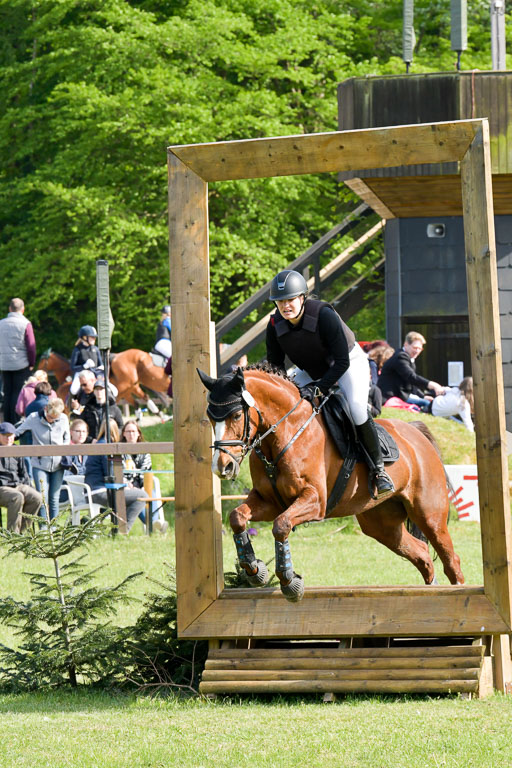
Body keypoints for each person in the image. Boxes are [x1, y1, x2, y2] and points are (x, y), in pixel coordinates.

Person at [265, 269, 394, 495]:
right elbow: (276, 367)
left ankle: (379, 469)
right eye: (280, 301)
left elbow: (342, 362)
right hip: (311, 370)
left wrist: (320, 387)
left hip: (348, 364)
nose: (285, 306)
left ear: (302, 298)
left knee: (356, 410)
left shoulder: (324, 315)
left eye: (291, 299)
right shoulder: (275, 325)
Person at [84, 420, 149, 533]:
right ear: (115, 431)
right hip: (100, 492)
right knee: (141, 495)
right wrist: (125, 485)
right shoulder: (105, 447)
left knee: (131, 495)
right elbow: (111, 474)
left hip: (92, 491)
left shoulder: (99, 444)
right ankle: (122, 530)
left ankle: (116, 530)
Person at [15, 398, 70, 524]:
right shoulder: (33, 418)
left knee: (54, 498)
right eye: (50, 417)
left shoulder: (64, 419)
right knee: (42, 496)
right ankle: (44, 526)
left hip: (58, 463)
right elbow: (18, 432)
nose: (52, 420)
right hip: (40, 464)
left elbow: (67, 439)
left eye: (55, 418)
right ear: (46, 409)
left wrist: (64, 453)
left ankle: (53, 525)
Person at [121, 420, 168, 533]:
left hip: (141, 484)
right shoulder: (120, 451)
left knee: (150, 493)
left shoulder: (144, 451)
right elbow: (120, 473)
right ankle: (155, 524)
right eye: (128, 431)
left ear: (138, 434)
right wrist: (129, 485)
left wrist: (143, 486)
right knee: (140, 496)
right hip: (126, 487)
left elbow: (146, 471)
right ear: (123, 434)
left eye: (133, 431)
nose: (131, 434)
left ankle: (154, 523)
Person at [377, 331, 445, 409]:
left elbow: (412, 384)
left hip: (400, 395)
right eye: (415, 347)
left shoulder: (409, 358)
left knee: (428, 402)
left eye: (420, 348)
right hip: (390, 398)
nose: (417, 351)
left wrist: (423, 396)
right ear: (406, 344)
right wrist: (432, 384)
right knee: (427, 404)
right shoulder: (400, 357)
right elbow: (411, 377)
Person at [0, 422, 42, 532]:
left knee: (36, 497)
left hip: (17, 485)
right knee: (17, 497)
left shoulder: (17, 450)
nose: (8, 438)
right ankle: (13, 535)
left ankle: (23, 533)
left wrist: (29, 487)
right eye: (5, 435)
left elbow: (24, 473)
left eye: (11, 435)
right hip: (2, 488)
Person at [0, 298, 37, 424]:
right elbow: (31, 346)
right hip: (21, 364)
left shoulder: (1, 323)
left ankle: (6, 422)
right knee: (18, 392)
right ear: (23, 309)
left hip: (4, 364)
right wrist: (32, 363)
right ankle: (15, 423)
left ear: (10, 309)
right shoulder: (26, 324)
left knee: (7, 393)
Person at [69, 326, 103, 397]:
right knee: (74, 390)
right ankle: (73, 404)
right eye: (92, 337)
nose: (94, 339)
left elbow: (100, 364)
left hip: (94, 373)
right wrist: (84, 366)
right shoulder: (77, 349)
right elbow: (72, 367)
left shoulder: (96, 349)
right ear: (84, 337)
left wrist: (101, 368)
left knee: (112, 389)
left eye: (94, 337)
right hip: (81, 374)